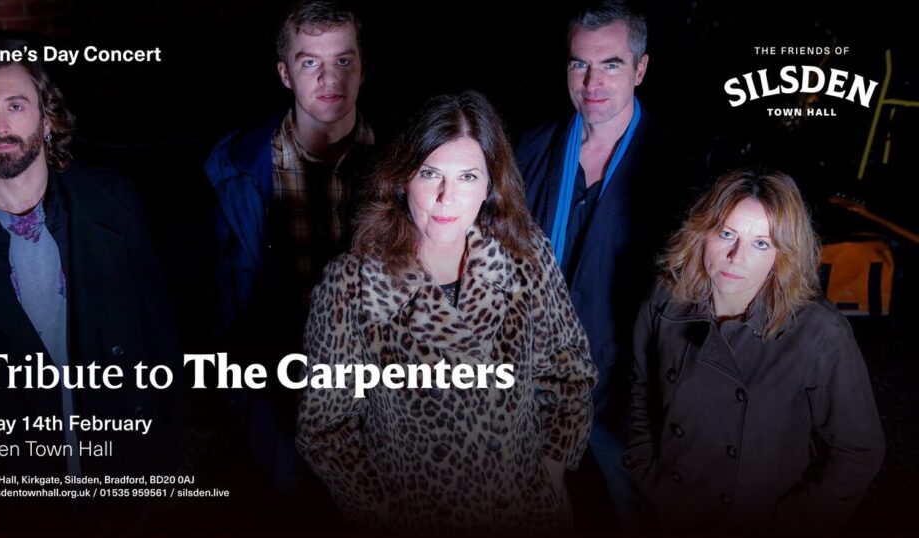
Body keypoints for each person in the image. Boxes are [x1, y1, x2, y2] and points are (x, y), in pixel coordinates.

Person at [0, 59, 182, 529]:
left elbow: (158, 337)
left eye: (16, 105)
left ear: (48, 120)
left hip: (118, 476)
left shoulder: (113, 202)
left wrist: (160, 454)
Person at [296, 91, 597, 533]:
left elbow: (570, 372)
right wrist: (377, 510)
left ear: (490, 185)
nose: (446, 197)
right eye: (430, 173)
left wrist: (552, 468)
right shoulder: (351, 285)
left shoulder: (526, 256)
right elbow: (325, 427)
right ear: (401, 180)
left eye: (468, 177)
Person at [515, 1, 700, 525]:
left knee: (634, 510)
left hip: (622, 392)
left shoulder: (674, 170)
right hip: (536, 381)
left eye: (611, 64)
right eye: (579, 64)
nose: (592, 81)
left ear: (640, 69)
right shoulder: (534, 149)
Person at [626, 168, 885, 530]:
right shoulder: (666, 298)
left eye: (761, 243)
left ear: (783, 254)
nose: (736, 256)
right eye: (726, 233)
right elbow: (640, 387)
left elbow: (859, 452)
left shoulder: (819, 332)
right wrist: (644, 469)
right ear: (702, 233)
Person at [203, 0, 374, 492]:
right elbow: (220, 300)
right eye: (310, 62)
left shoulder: (406, 165)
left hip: (381, 400)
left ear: (361, 68)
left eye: (343, 60)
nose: (329, 79)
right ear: (285, 73)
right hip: (281, 398)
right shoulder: (234, 170)